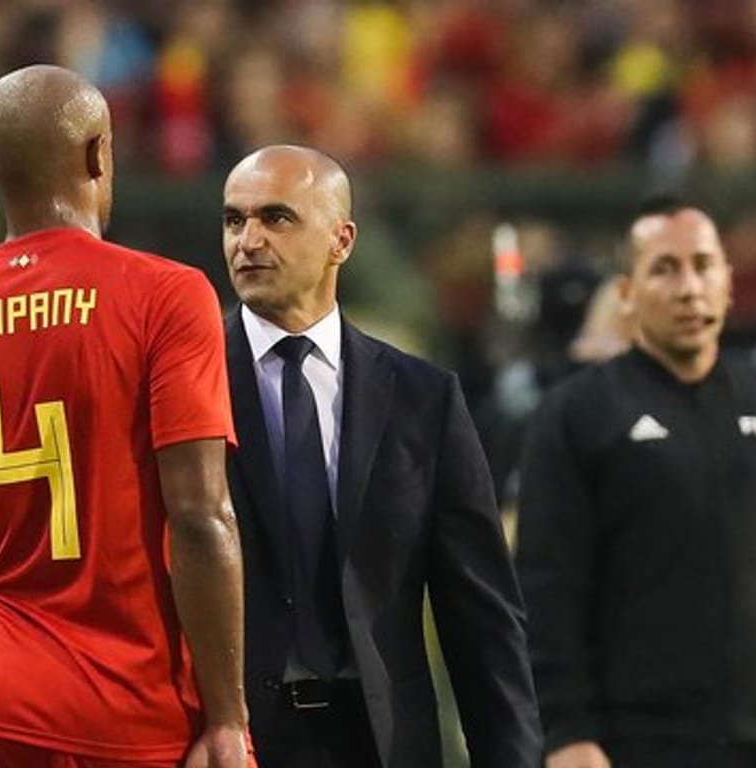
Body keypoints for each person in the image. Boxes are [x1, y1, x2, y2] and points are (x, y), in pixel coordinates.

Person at [0, 65, 250, 768]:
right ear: (98, 154)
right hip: (131, 707)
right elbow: (201, 516)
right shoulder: (167, 296)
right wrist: (228, 717)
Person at [516, 196, 756, 768]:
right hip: (633, 745)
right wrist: (565, 729)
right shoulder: (577, 413)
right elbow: (546, 587)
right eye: (664, 268)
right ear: (626, 294)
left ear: (728, 280)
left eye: (704, 265)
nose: (689, 287)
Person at [219, 144, 541, 767]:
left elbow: (482, 618)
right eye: (235, 220)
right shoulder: (180, 383)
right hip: (232, 745)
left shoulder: (425, 399)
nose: (248, 240)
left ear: (341, 240)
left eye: (276, 218)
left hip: (382, 745)